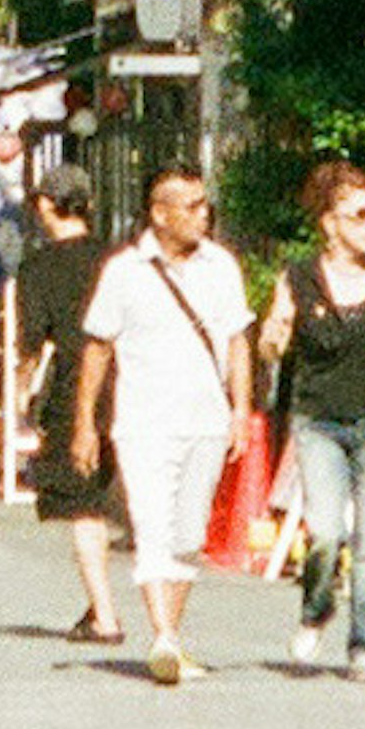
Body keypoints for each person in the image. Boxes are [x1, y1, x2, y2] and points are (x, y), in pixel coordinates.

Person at [77, 160, 255, 683]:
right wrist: (85, 421)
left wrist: (241, 410)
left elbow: (237, 339)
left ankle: (170, 639)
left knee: (187, 534)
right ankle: (163, 637)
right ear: (160, 214)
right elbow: (98, 349)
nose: (205, 215)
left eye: (206, 204)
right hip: (143, 423)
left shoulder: (221, 266)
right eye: (193, 206)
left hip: (206, 420)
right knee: (152, 527)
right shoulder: (124, 271)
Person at [254, 158, 365, 680]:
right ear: (329, 224)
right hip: (319, 422)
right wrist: (274, 338)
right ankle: (316, 606)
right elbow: (270, 341)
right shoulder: (299, 277)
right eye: (359, 214)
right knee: (326, 533)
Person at [10, 165, 117, 644]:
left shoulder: (38, 267)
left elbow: (31, 342)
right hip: (132, 380)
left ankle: (105, 613)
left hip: (76, 388)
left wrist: (18, 392)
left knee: (85, 506)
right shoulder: (120, 258)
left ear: (46, 206)